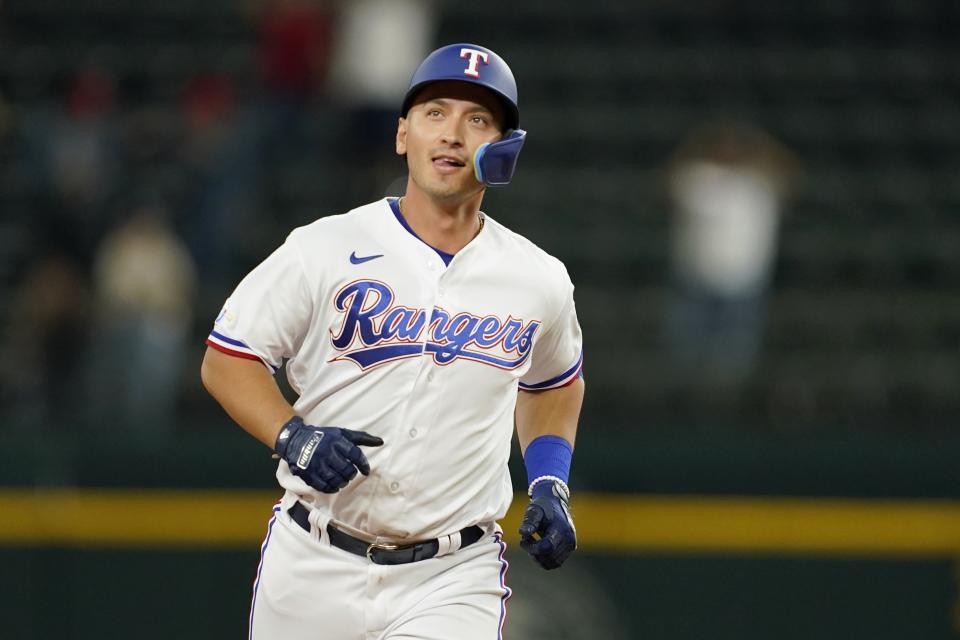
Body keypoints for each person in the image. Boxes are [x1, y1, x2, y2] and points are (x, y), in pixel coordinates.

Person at [200, 43, 584, 639]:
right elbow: (229, 358)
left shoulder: (538, 279)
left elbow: (554, 384)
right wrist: (290, 435)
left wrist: (550, 481)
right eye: (435, 113)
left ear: (505, 149)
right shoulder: (323, 247)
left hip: (453, 575)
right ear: (402, 134)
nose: (452, 134)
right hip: (312, 559)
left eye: (477, 120)